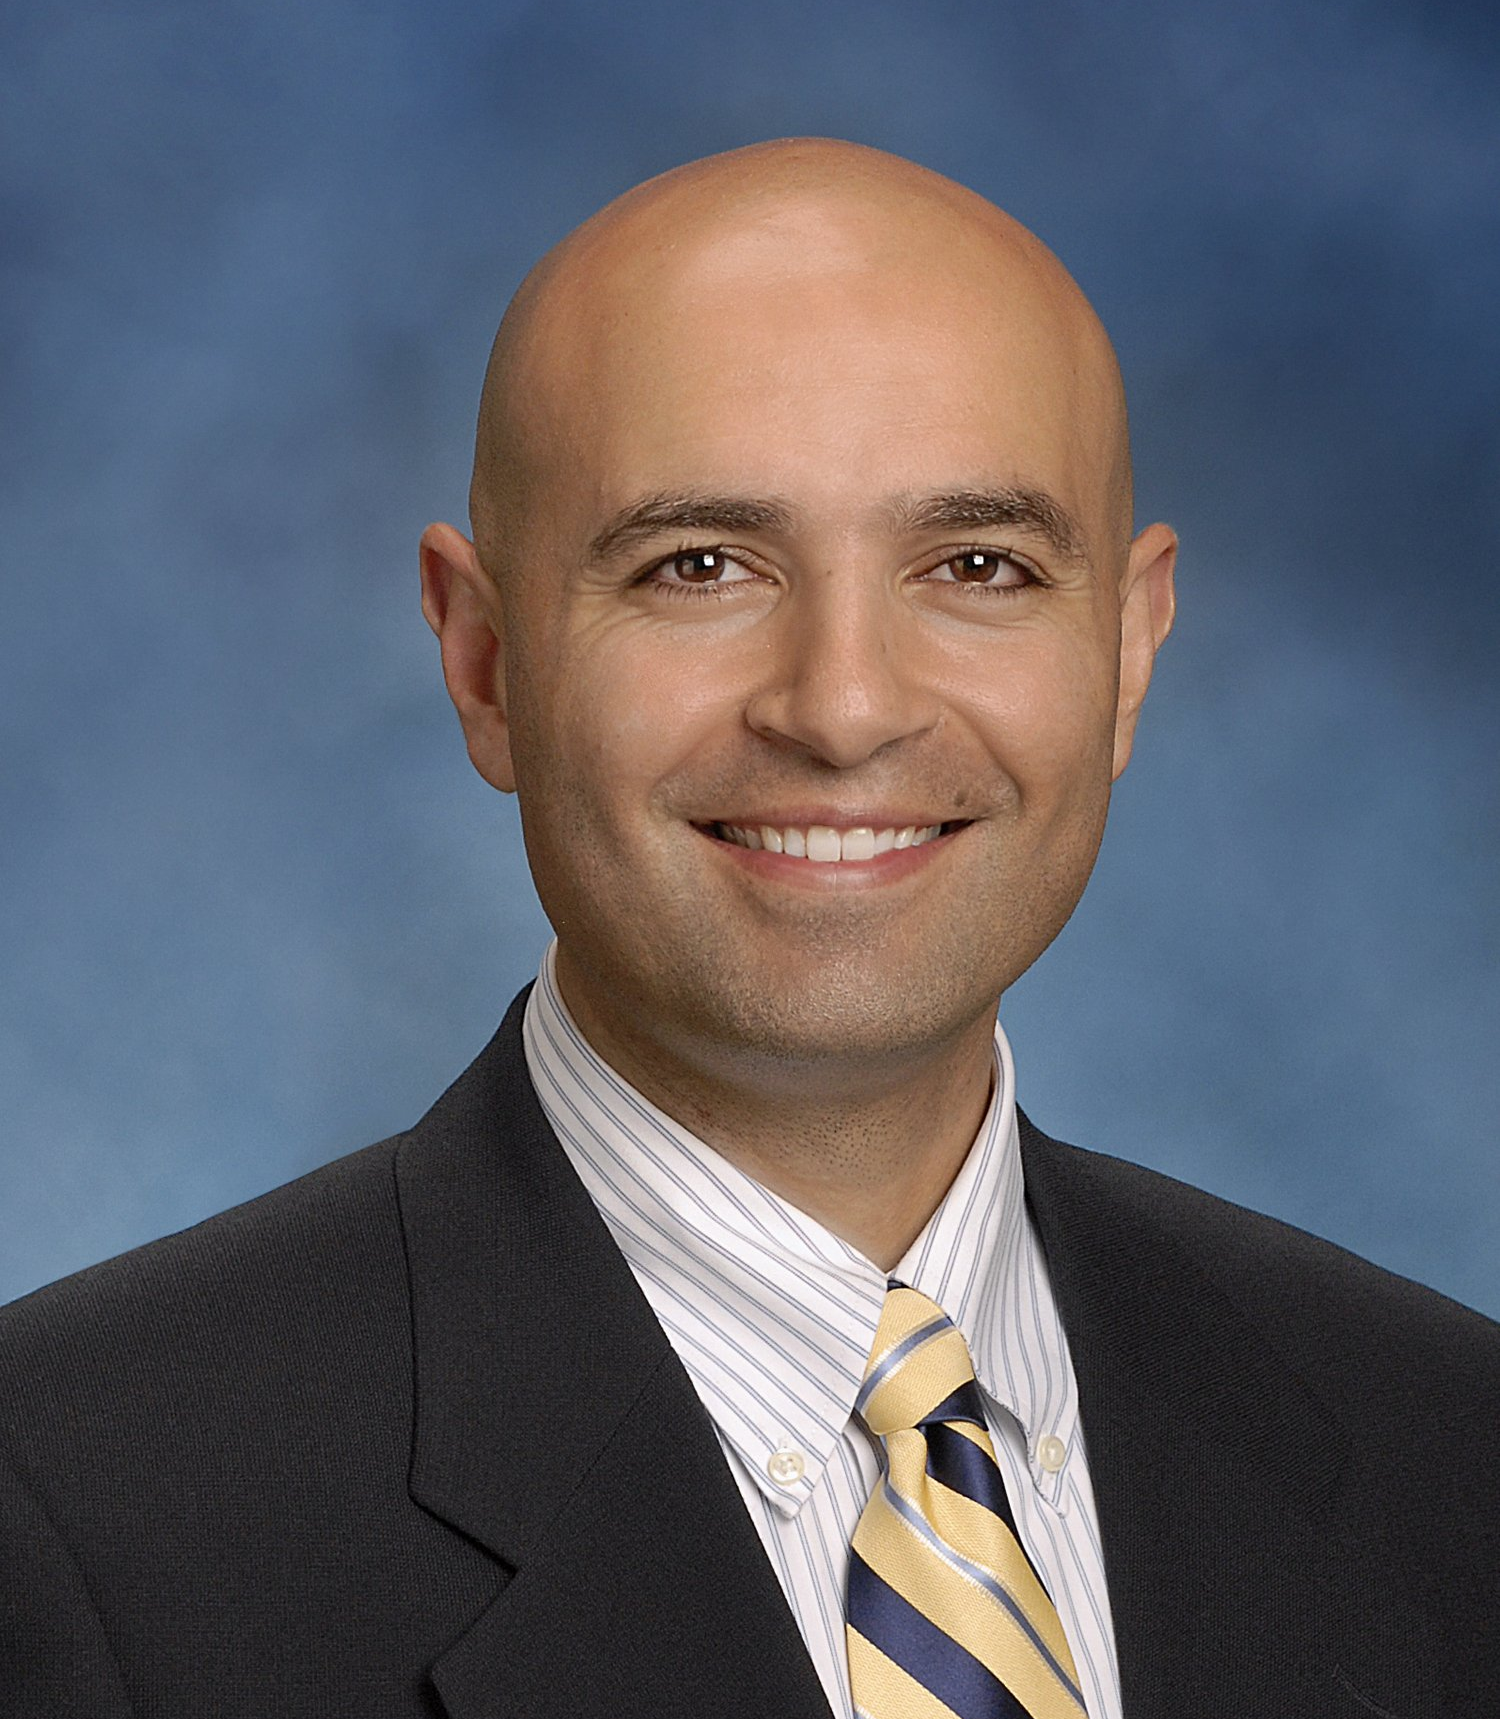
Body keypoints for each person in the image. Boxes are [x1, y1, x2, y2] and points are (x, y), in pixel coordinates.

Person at [1, 139, 1495, 1719]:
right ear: (484, 657)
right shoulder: (66, 1522)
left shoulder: (1450, 1453)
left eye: (977, 564)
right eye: (700, 564)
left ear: (1125, 650)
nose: (844, 707)